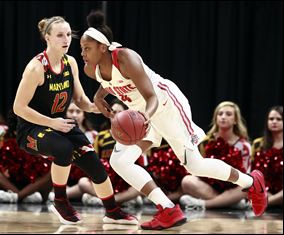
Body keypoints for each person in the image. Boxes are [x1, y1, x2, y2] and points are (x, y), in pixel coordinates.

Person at [80, 10, 267, 230]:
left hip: (166, 104)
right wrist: (99, 96)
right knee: (119, 161)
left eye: (87, 48)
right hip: (140, 111)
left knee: (194, 165)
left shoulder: (125, 57)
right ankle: (168, 209)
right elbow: (109, 82)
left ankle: (251, 182)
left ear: (103, 47)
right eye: (82, 48)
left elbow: (151, 97)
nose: (82, 52)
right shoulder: (91, 69)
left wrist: (145, 117)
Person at [13, 16, 137, 225]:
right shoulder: (36, 68)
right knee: (63, 148)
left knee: (94, 163)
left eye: (69, 34)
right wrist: (51, 123)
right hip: (30, 130)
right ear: (48, 38)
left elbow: (80, 99)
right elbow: (19, 108)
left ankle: (112, 211)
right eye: (60, 35)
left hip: (59, 125)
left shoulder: (70, 62)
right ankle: (60, 202)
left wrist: (95, 107)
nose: (66, 39)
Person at [67, 98, 144, 207]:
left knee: (141, 184)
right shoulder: (101, 136)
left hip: (126, 179)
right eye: (113, 112)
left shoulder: (133, 136)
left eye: (120, 112)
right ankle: (119, 200)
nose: (116, 115)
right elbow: (94, 162)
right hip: (107, 178)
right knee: (83, 182)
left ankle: (110, 200)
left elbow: (140, 164)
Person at [179, 101, 251, 210]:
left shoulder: (244, 145)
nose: (223, 117)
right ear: (215, 118)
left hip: (233, 186)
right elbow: (197, 167)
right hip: (209, 186)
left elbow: (246, 172)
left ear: (236, 120)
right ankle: (230, 203)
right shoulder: (205, 141)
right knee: (187, 181)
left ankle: (204, 204)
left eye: (228, 114)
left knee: (248, 184)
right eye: (220, 114)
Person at [0, 109, 53, 204]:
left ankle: (18, 197)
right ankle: (20, 195)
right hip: (11, 184)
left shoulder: (44, 139)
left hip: (35, 186)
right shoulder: (4, 139)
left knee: (55, 170)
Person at [251, 105, 283, 208]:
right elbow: (254, 171)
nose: (274, 122)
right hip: (263, 189)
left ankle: (265, 202)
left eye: (278, 119)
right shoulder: (258, 144)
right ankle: (266, 200)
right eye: (271, 119)